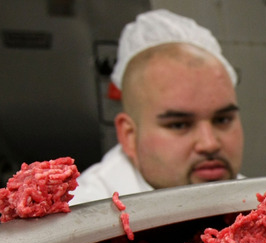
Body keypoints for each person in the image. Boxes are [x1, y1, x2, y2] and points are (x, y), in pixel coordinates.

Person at [70, 9, 244, 205]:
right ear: (129, 136)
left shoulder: (253, 201)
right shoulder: (84, 218)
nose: (210, 143)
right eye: (179, 125)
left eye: (223, 120)